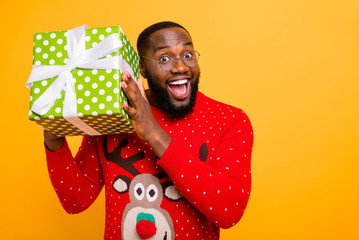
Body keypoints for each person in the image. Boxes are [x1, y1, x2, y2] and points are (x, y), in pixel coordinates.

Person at [43, 21, 254, 240]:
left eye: (188, 55)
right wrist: (54, 138)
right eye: (164, 58)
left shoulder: (229, 120)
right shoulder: (116, 113)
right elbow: (76, 201)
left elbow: (230, 211)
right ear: (141, 67)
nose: (181, 67)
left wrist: (153, 132)